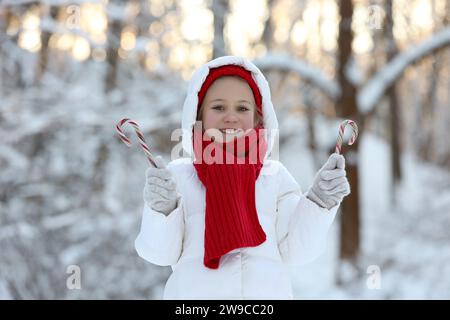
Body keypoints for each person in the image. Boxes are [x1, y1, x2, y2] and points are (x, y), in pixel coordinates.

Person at [135, 55, 350, 299]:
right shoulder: (179, 177)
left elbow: (297, 251)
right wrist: (162, 211)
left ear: (259, 118)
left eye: (242, 108)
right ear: (198, 116)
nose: (231, 116)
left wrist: (319, 203)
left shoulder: (275, 177)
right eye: (218, 107)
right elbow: (160, 254)